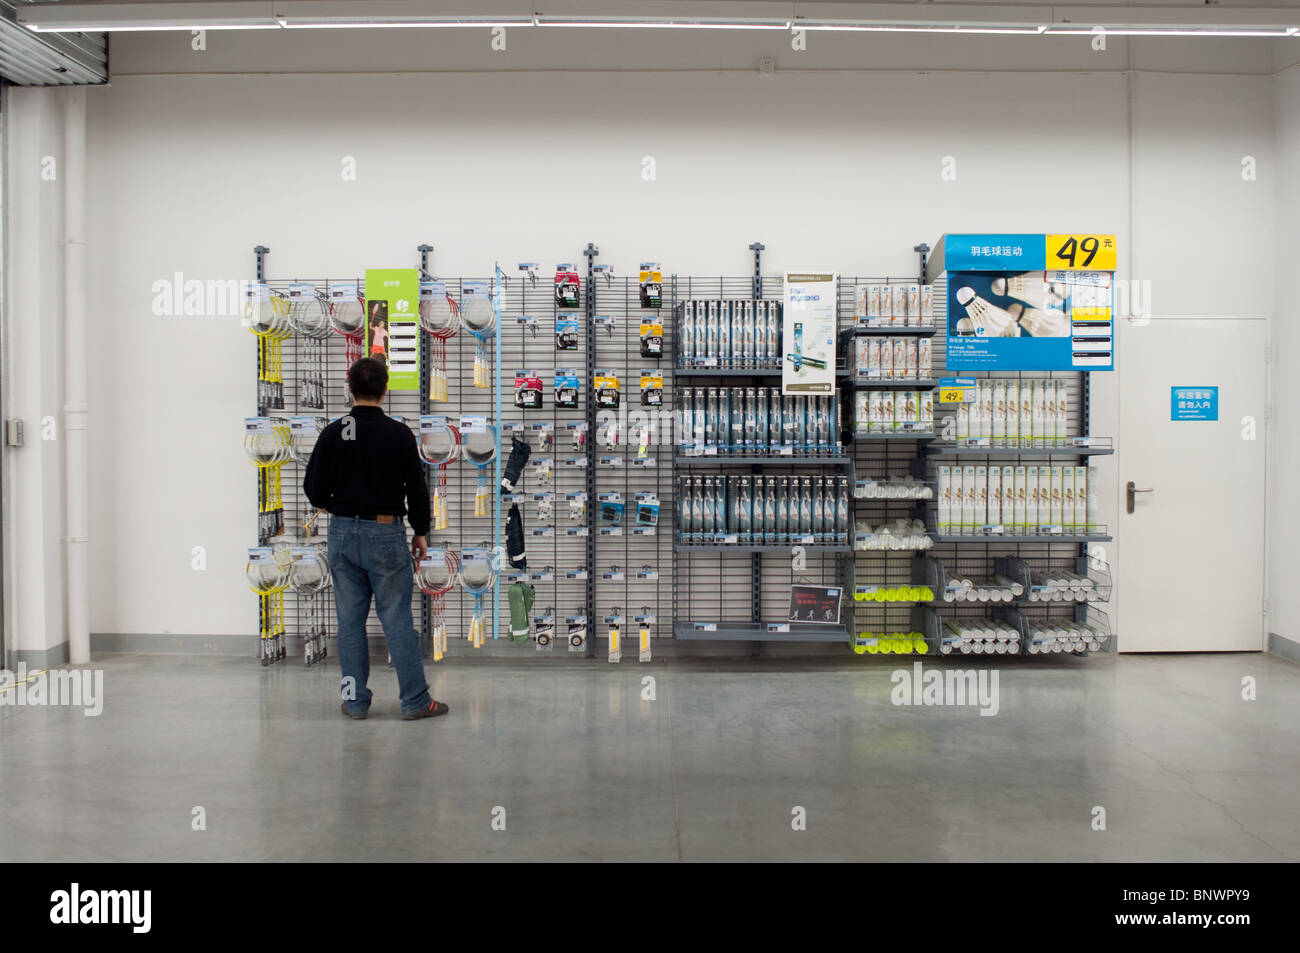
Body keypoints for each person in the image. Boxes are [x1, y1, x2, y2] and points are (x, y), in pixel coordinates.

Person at [303, 357, 448, 721]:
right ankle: (415, 701)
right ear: (385, 389)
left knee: (350, 623)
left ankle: (354, 701)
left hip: (340, 534)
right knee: (397, 619)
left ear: (349, 389)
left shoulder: (333, 432)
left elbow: (314, 492)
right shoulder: (398, 434)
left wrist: (339, 501)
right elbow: (417, 488)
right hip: (385, 532)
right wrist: (420, 531)